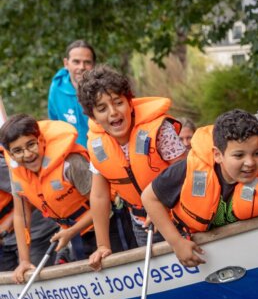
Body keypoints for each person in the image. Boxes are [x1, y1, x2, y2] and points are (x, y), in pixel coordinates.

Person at [141, 109, 258, 268]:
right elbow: (149, 198)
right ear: (218, 155)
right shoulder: (188, 169)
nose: (250, 163)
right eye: (239, 155)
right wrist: (176, 243)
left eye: (257, 153)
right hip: (193, 248)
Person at [77, 65, 187, 271]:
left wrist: (160, 210)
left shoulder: (160, 130)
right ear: (92, 117)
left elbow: (186, 174)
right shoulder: (98, 145)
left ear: (130, 102)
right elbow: (99, 197)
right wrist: (102, 246)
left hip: (179, 218)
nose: (113, 112)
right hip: (142, 225)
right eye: (102, 109)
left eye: (118, 103)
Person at [0, 115, 123, 284]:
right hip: (73, 234)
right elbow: (21, 218)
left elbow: (104, 205)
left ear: (41, 140)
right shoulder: (18, 175)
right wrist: (24, 261)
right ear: (11, 155)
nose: (27, 154)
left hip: (110, 226)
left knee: (113, 277)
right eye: (18, 151)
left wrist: (73, 231)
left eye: (31, 145)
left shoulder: (71, 163)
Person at [48, 40, 96, 148]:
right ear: (66, 63)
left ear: (93, 65)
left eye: (87, 62)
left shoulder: (102, 88)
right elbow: (54, 124)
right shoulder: (56, 88)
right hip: (72, 152)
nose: (82, 67)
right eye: (76, 62)